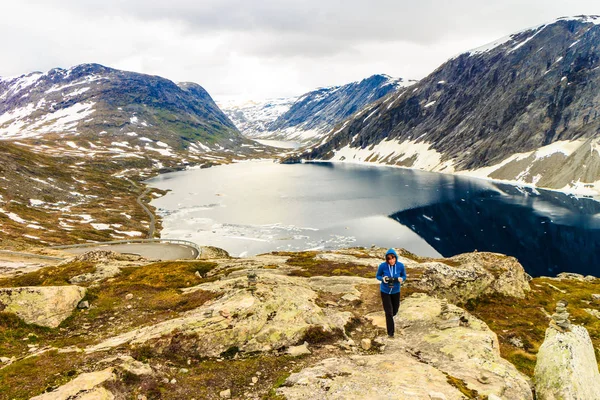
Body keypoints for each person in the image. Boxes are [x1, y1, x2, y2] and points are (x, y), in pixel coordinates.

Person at [376, 248, 407, 338]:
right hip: (385, 291)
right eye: (389, 259)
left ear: (396, 258)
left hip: (396, 291)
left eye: (393, 258)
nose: (391, 260)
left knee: (395, 310)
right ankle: (390, 333)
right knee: (388, 312)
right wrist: (383, 279)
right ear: (386, 259)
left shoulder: (400, 266)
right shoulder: (382, 266)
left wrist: (402, 279)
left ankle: (390, 319)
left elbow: (404, 276)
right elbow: (377, 276)